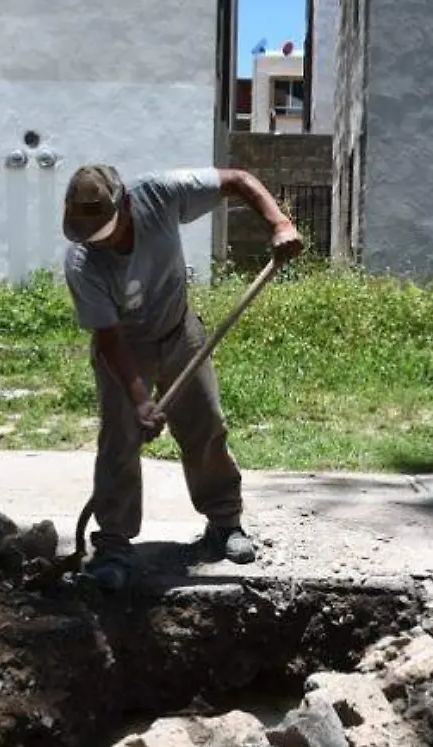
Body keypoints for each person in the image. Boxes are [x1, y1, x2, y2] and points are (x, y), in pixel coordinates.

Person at [62, 164, 302, 592]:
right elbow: (110, 338)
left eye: (107, 232)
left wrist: (278, 223)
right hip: (125, 346)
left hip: (179, 330)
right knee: (120, 438)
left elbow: (238, 180)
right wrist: (139, 402)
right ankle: (114, 541)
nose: (104, 244)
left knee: (205, 424)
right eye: (92, 237)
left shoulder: (161, 194)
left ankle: (224, 524)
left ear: (127, 206)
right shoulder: (83, 263)